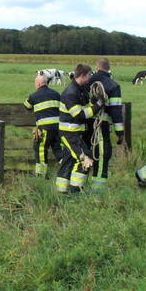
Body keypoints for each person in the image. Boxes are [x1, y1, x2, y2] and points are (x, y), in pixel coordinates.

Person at [84, 57, 125, 192]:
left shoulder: (85, 82)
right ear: (109, 69)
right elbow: (116, 111)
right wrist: (120, 134)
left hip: (83, 125)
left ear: (96, 68)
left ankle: (78, 186)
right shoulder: (113, 85)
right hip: (101, 126)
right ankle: (97, 190)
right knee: (102, 155)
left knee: (84, 153)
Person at [55, 64, 95, 194]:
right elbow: (80, 115)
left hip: (74, 132)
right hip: (70, 134)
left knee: (68, 161)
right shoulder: (70, 93)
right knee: (85, 159)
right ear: (83, 76)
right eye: (89, 75)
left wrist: (94, 102)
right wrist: (98, 106)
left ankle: (61, 193)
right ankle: (75, 192)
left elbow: (85, 108)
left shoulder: (80, 90)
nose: (90, 78)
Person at [23, 73, 62, 176]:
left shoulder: (33, 95)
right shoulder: (56, 94)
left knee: (40, 149)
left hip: (44, 128)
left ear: (39, 84)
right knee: (58, 149)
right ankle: (67, 168)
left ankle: (40, 175)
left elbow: (27, 106)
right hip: (58, 128)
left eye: (35, 83)